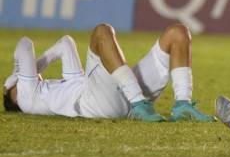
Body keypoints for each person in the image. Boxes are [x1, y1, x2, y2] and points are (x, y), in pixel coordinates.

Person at [3, 23, 215, 122]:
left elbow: (66, 43)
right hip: (97, 104)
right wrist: (11, 80)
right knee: (101, 33)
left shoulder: (53, 88)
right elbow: (24, 45)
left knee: (177, 33)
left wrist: (31, 72)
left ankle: (182, 105)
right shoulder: (27, 99)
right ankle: (138, 102)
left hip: (111, 94)